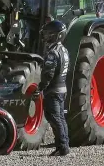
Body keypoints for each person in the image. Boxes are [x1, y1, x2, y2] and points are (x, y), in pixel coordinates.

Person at [37, 20, 70, 156]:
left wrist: (40, 88)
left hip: (54, 90)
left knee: (55, 118)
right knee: (61, 118)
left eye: (48, 34)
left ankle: (62, 148)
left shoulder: (53, 52)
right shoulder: (64, 49)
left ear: (57, 35)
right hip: (62, 89)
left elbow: (48, 74)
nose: (45, 36)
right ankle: (64, 145)